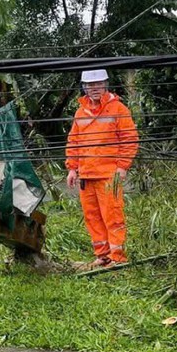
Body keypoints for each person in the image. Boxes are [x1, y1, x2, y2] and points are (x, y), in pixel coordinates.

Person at [66, 69, 139, 268]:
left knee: (113, 217)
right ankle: (103, 256)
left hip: (109, 175)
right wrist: (72, 168)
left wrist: (122, 167)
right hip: (86, 175)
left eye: (98, 84)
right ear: (85, 87)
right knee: (92, 217)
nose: (94, 88)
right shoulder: (81, 112)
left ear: (105, 84)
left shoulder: (118, 109)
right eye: (90, 85)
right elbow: (74, 141)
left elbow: (130, 139)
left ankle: (118, 258)